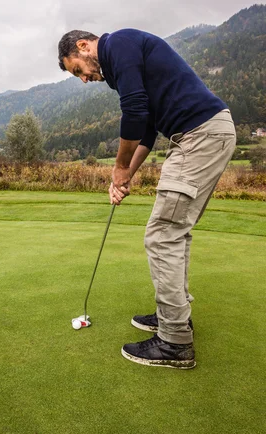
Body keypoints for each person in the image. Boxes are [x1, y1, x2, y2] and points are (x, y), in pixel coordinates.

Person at [58, 29, 236, 369]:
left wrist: (119, 167)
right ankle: (175, 317)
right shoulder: (122, 59)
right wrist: (126, 176)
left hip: (199, 136)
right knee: (175, 231)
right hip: (203, 135)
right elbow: (149, 128)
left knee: (162, 235)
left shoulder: (119, 44)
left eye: (78, 70)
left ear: (84, 46)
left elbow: (135, 111)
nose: (84, 79)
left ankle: (174, 342)